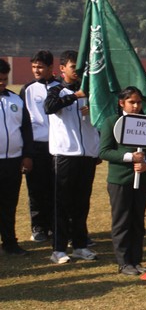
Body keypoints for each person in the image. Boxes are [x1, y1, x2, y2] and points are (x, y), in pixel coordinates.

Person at [98, 87, 146, 278]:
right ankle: (124, 262)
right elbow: (104, 151)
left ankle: (136, 259)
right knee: (122, 221)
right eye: (131, 102)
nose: (136, 106)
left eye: (139, 102)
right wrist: (129, 157)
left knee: (137, 220)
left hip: (142, 179)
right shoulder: (112, 122)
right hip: (120, 180)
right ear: (121, 103)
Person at [45, 50, 99, 264]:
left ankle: (80, 245)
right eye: (73, 67)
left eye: (80, 67)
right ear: (62, 68)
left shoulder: (91, 91)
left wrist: (92, 108)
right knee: (62, 204)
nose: (77, 71)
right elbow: (49, 107)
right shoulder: (56, 90)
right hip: (65, 154)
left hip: (87, 155)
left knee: (81, 203)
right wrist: (74, 96)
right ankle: (58, 249)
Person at [19, 49, 59, 243]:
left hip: (58, 146)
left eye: (40, 67)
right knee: (35, 188)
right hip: (36, 146)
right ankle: (38, 226)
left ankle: (54, 225)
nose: (36, 70)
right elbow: (22, 121)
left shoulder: (61, 87)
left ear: (51, 67)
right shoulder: (27, 89)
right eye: (34, 67)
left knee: (55, 188)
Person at [0, 58, 33, 256]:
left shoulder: (16, 100)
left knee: (9, 204)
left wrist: (27, 155)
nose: (2, 83)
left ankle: (10, 243)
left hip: (13, 161)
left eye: (4, 79)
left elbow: (26, 130)